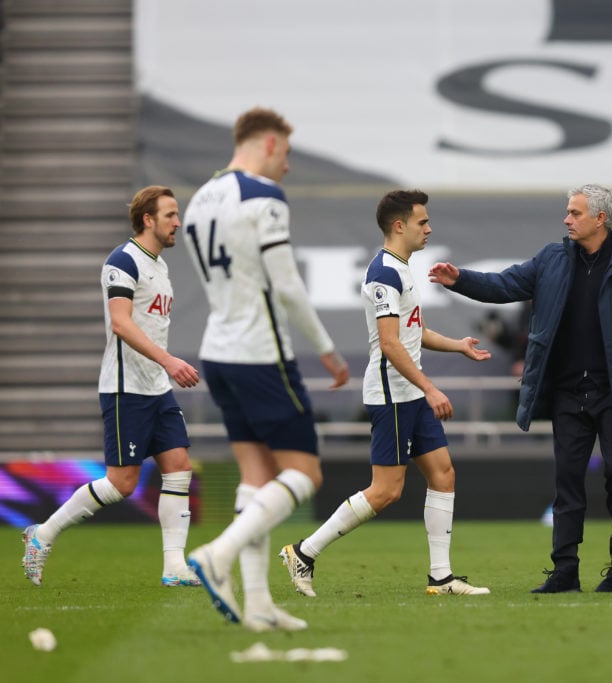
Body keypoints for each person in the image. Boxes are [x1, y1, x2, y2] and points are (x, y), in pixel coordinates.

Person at [429, 184, 612, 593]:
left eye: (575, 213)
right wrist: (460, 280)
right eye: (567, 212)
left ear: (600, 218)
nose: (566, 219)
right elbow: (505, 285)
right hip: (567, 393)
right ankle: (565, 571)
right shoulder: (552, 258)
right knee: (567, 481)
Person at [182, 107, 350, 631]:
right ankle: (219, 553)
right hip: (260, 352)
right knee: (305, 473)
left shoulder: (198, 200)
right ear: (271, 143)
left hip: (218, 350)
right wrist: (327, 348)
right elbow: (287, 284)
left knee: (256, 477)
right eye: (289, 154)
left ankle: (257, 603)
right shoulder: (263, 197)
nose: (289, 168)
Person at [279, 189, 491, 597]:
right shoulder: (383, 274)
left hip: (409, 394)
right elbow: (390, 344)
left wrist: (458, 346)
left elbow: (414, 333)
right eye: (422, 222)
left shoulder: (402, 268)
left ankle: (441, 577)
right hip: (393, 395)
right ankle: (304, 552)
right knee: (386, 491)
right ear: (400, 226)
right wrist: (430, 388)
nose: (428, 228)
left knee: (443, 474)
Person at [22, 186, 201, 588]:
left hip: (155, 388)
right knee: (122, 483)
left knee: (178, 468)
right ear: (148, 220)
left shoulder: (160, 266)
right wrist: (169, 361)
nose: (178, 222)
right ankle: (43, 534)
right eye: (170, 215)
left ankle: (174, 566)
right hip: (126, 389)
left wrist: (163, 369)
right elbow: (120, 323)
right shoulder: (123, 261)